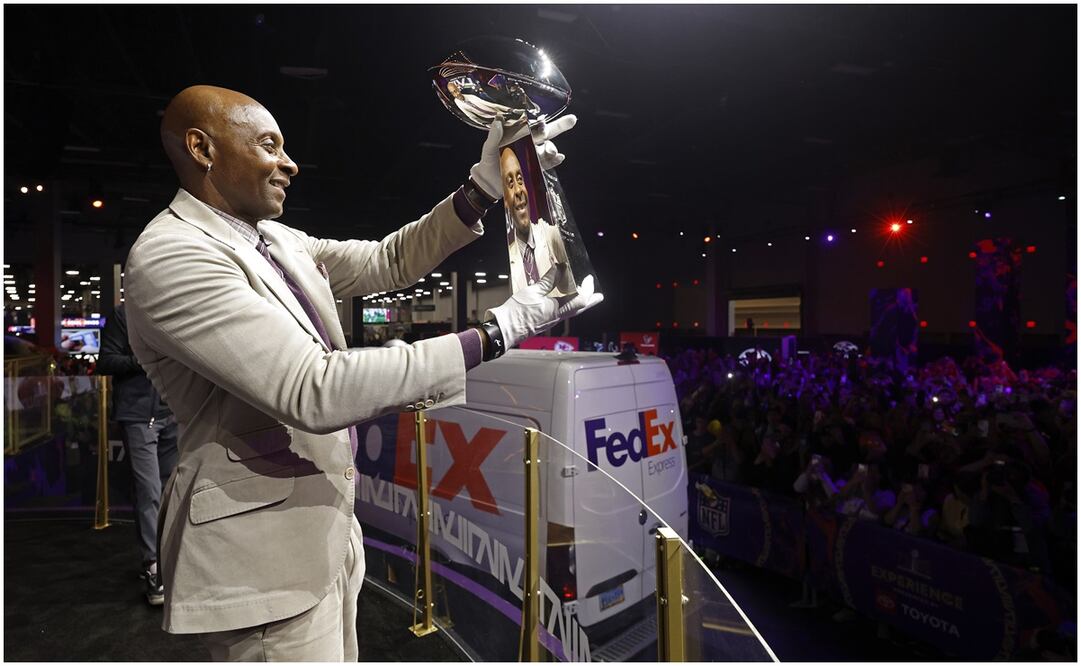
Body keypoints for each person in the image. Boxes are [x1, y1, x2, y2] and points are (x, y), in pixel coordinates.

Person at [124, 85, 601, 661]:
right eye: (269, 145)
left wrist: (481, 190)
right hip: (262, 563)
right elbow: (312, 388)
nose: (289, 163)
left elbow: (388, 261)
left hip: (323, 531)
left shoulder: (274, 238)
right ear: (203, 149)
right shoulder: (172, 254)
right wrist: (495, 332)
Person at [97, 303, 178, 606]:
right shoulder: (123, 314)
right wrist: (145, 360)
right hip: (138, 415)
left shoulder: (173, 309)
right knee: (149, 491)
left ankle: (166, 559)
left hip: (172, 412)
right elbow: (105, 361)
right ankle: (153, 565)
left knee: (169, 491)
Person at [501, 145, 573, 296]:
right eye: (510, 184)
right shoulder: (507, 256)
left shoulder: (550, 234)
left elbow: (569, 286)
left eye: (520, 180)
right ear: (504, 200)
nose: (519, 190)